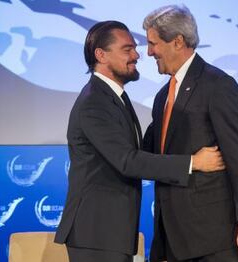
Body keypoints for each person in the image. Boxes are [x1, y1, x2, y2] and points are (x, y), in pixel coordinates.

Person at [54, 20, 226, 262]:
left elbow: (137, 150)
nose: (137, 55)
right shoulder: (95, 103)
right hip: (96, 234)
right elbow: (128, 160)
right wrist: (193, 163)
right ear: (101, 55)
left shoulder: (114, 98)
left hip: (110, 235)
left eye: (135, 47)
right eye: (127, 49)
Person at [142, 5, 238, 262]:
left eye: (153, 44)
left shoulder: (217, 85)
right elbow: (149, 156)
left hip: (213, 240)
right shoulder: (163, 96)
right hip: (171, 238)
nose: (149, 52)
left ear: (177, 42)